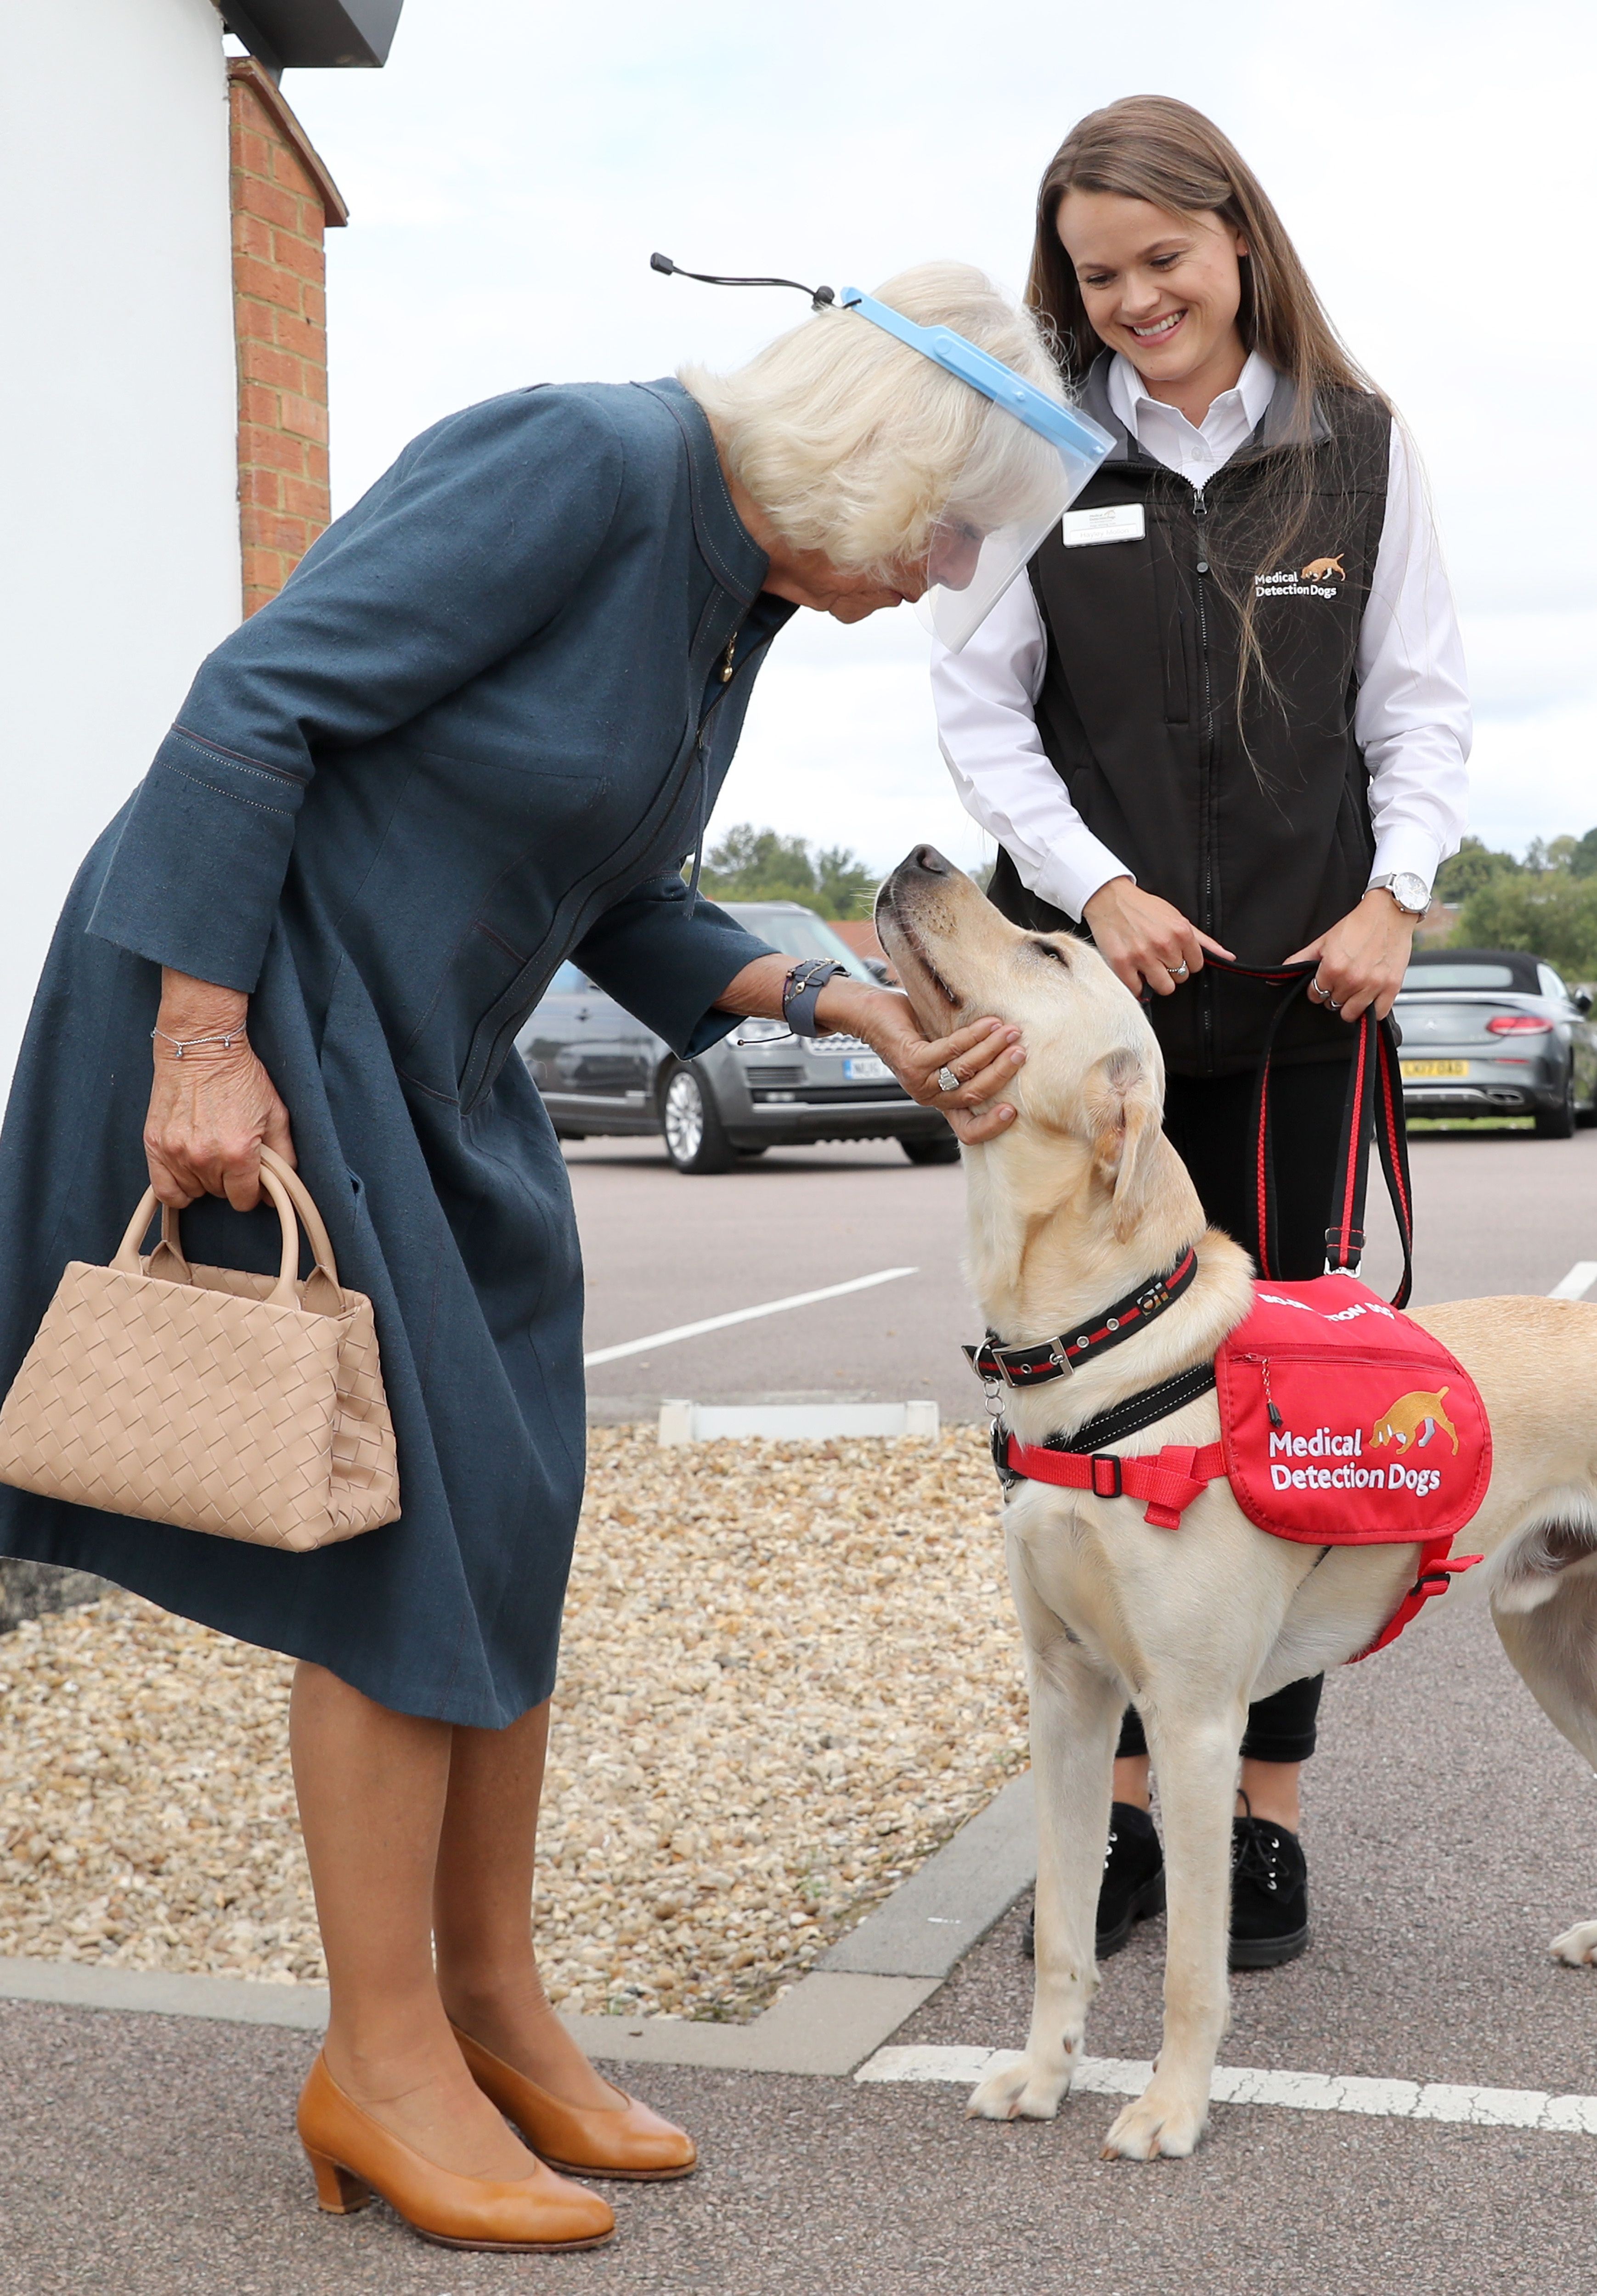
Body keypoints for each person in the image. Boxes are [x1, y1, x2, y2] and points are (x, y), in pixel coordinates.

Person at [0, 262, 1057, 2254]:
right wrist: (201, 1037)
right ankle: (375, 2057)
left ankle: (493, 2007)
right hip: (279, 1015)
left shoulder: (726, 600)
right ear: (879, 461)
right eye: (948, 526)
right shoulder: (590, 457)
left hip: (441, 1051)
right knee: (409, 1541)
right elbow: (259, 699)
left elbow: (623, 893)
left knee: (517, 1508)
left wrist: (841, 1004)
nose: (941, 573)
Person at [932, 96, 1468, 1970]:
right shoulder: (1037, 454)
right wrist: (1089, 889)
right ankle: (1129, 1820)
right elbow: (979, 712)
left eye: (1163, 255)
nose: (1137, 296)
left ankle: (1260, 1815)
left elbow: (1419, 704)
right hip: (1101, 1016)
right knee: (1082, 1405)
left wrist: (1397, 895)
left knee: (1280, 1408)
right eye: (1099, 274)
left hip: (1302, 1001)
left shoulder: (1360, 449)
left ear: (1236, 235)